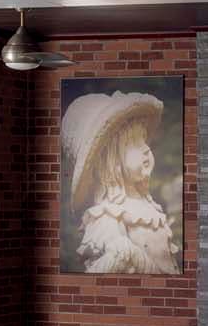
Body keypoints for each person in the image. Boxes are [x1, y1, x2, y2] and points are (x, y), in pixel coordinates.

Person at [61, 90, 180, 274]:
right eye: (134, 142)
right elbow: (97, 275)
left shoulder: (149, 206)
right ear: (111, 162)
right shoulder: (107, 215)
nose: (146, 149)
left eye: (143, 139)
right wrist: (125, 254)